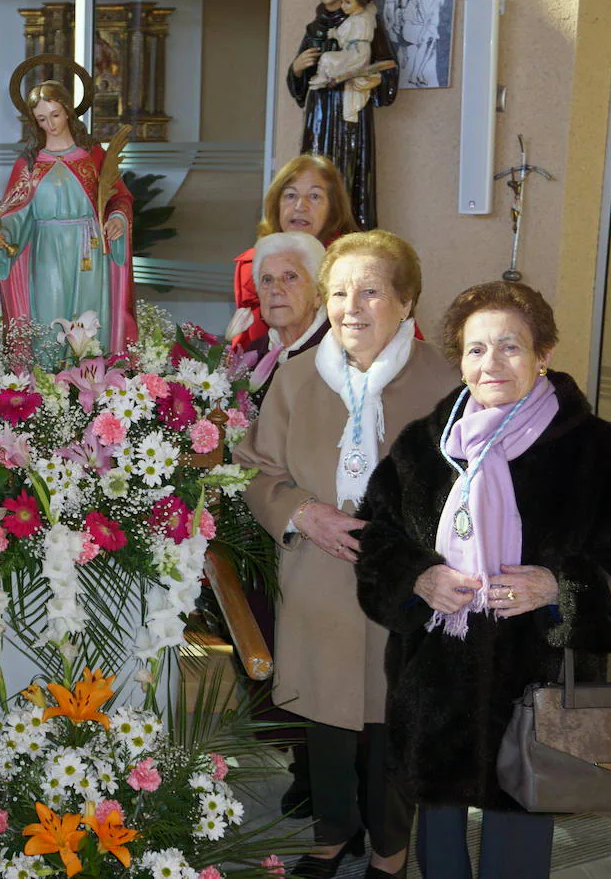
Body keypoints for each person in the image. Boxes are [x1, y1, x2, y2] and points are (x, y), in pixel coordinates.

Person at [355, 281, 611, 879]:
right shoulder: (424, 448)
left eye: (509, 347)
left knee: (517, 842)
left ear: (543, 353)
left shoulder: (599, 452)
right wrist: (419, 580)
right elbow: (377, 541)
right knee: (439, 848)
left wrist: (560, 588)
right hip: (435, 686)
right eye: (475, 349)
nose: (490, 363)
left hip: (537, 687)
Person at [233, 230, 453, 878]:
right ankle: (331, 837)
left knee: (391, 730)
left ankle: (389, 853)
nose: (351, 306)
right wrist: (302, 512)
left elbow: (473, 488)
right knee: (325, 728)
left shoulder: (444, 381)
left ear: (406, 301)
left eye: (371, 291)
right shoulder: (298, 377)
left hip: (404, 589)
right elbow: (254, 470)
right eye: (338, 292)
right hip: (317, 581)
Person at [0, 78, 136, 351]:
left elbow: (118, 196)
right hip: (46, 248)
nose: (50, 125)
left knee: (89, 313)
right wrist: (1, 233)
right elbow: (16, 212)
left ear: (68, 111)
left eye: (55, 115)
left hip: (89, 247)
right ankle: (50, 383)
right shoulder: (29, 164)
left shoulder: (92, 156)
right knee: (49, 311)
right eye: (41, 119)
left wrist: (117, 218)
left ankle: (92, 373)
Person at [288, 0, 398, 230]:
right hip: (320, 110)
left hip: (349, 109)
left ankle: (347, 231)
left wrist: (373, 79)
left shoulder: (364, 21)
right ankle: (312, 227)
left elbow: (388, 67)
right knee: (315, 167)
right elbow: (300, 85)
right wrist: (296, 68)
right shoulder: (315, 28)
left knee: (349, 168)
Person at [231, 154, 359, 349]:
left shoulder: (357, 264)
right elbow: (245, 349)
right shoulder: (252, 264)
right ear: (276, 204)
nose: (300, 206)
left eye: (314, 196)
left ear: (333, 208)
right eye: (290, 195)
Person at [242, 231, 329, 391]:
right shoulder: (252, 354)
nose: (275, 289)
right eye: (267, 279)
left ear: (318, 292)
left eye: (290, 276)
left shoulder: (339, 351)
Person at [309, 0, 379, 124]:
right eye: (342, 2)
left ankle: (322, 77)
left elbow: (342, 37)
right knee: (330, 58)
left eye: (347, 2)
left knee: (327, 57)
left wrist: (334, 33)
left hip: (356, 54)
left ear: (359, 2)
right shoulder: (366, 16)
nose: (343, 6)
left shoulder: (356, 20)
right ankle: (325, 76)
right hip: (359, 53)